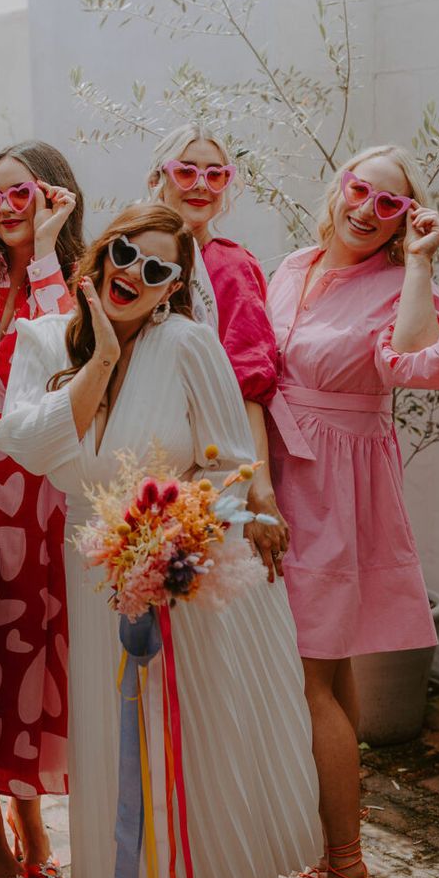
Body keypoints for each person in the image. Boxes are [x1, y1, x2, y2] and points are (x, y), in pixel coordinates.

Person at [0, 205, 320, 878]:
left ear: (173, 285)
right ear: (101, 254)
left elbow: (230, 465)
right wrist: (102, 358)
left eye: (156, 268)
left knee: (187, 737)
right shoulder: (46, 339)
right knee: (112, 733)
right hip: (92, 570)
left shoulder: (189, 345)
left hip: (180, 576)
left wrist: (182, 536)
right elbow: (23, 440)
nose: (132, 275)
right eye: (123, 255)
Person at [266, 146, 439, 878]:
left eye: (390, 205)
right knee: (331, 673)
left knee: (308, 678)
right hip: (275, 474)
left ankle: (348, 867)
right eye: (361, 190)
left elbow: (420, 360)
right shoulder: (291, 264)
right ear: (339, 187)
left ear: (404, 221)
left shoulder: (395, 282)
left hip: (334, 491)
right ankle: (342, 858)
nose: (367, 209)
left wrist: (419, 263)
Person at [0, 142, 84, 878]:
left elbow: (66, 360)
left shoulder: (79, 277)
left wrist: (45, 252)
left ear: (57, 197)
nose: (12, 208)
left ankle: (35, 825)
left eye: (28, 194)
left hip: (43, 499)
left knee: (28, 664)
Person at [150, 123, 288, 583]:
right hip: (143, 454)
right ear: (159, 178)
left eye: (216, 175)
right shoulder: (132, 258)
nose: (201, 186)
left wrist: (260, 490)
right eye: (186, 172)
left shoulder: (231, 267)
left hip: (210, 464)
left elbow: (249, 387)